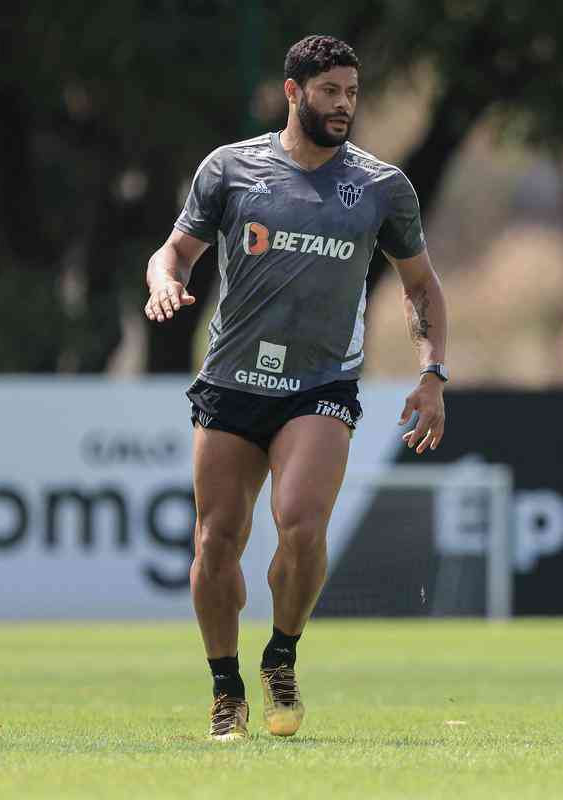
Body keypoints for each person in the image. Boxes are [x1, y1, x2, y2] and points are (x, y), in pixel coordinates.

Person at [143, 34, 449, 741]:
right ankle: (226, 690)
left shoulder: (380, 187)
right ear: (292, 93)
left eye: (352, 92)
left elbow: (420, 286)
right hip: (230, 381)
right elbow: (176, 251)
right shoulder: (229, 169)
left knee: (301, 521)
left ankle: (280, 654)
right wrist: (164, 282)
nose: (344, 105)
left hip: (319, 383)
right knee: (216, 540)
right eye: (330, 92)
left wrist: (432, 374)